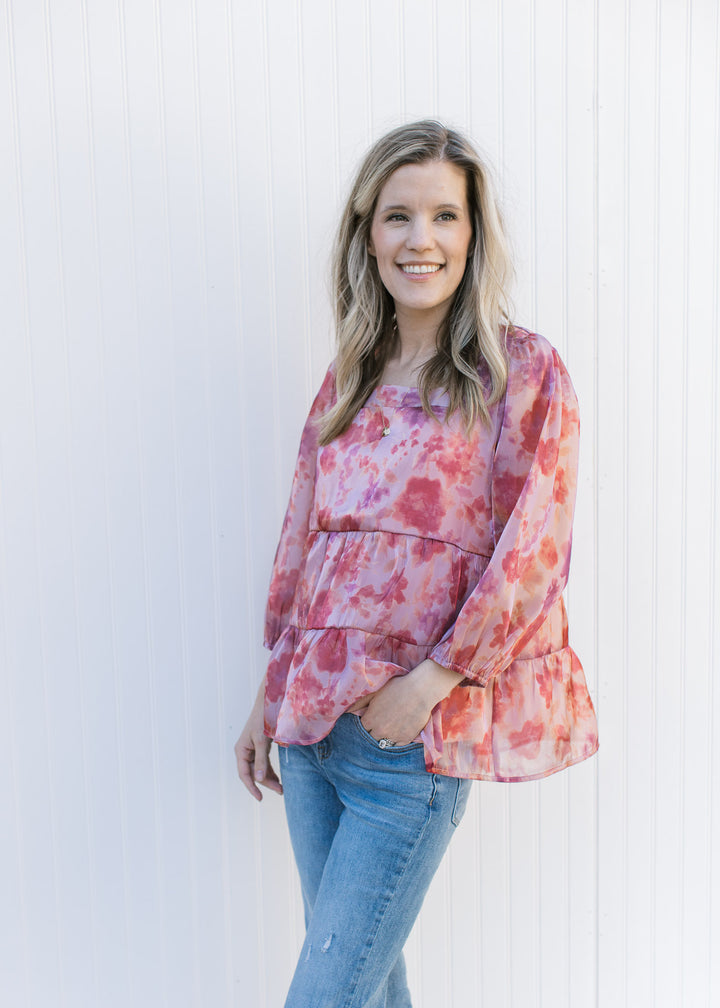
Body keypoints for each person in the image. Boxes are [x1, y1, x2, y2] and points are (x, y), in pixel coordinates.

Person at [235, 120, 598, 1008]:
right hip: (311, 736)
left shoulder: (519, 372)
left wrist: (431, 683)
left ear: (473, 235)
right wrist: (269, 694)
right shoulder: (349, 380)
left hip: (409, 746)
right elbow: (306, 548)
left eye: (444, 215)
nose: (420, 239)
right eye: (398, 215)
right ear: (368, 233)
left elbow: (533, 551)